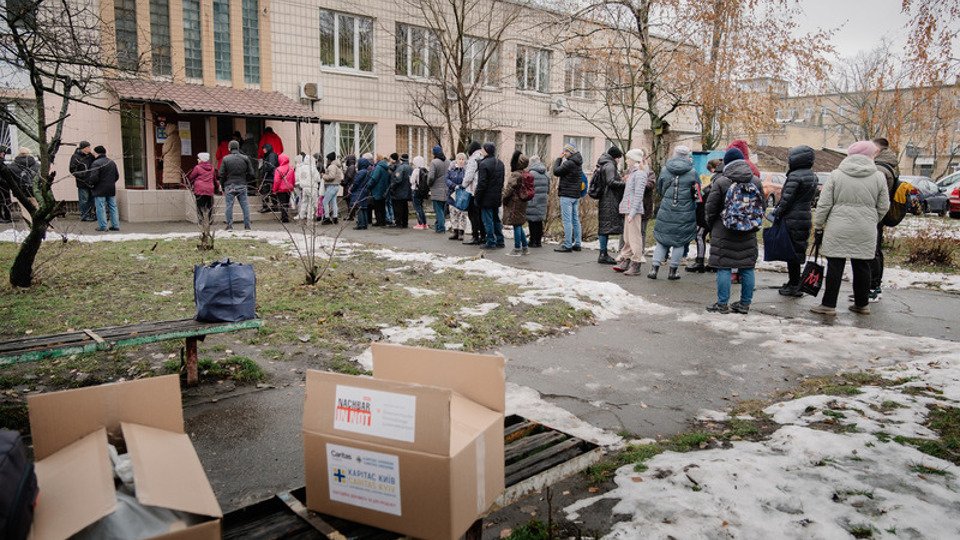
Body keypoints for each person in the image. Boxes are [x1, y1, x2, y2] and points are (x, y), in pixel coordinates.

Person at [811, 141, 890, 316]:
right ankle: (862, 305)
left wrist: (819, 225)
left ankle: (829, 304)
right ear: (870, 156)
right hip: (866, 228)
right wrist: (872, 218)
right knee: (863, 266)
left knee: (835, 265)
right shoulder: (878, 177)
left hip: (838, 226)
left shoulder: (837, 175)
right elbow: (884, 205)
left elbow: (824, 203)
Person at [704, 148, 765, 314]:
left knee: (724, 266)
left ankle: (722, 304)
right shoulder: (756, 181)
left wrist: (712, 225)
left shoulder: (721, 182)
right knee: (747, 267)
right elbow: (762, 207)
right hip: (748, 230)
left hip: (724, 229)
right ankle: (745, 303)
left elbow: (711, 208)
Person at [772, 146, 818, 297]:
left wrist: (778, 213)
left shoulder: (795, 176)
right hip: (804, 215)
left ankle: (794, 284)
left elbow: (786, 199)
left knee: (791, 251)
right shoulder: (812, 176)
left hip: (793, 217)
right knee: (797, 250)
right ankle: (794, 281)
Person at [649, 145, 699, 280]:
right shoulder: (692, 172)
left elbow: (660, 189)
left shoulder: (665, 170)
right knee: (679, 242)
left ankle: (654, 269)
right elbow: (697, 192)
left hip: (666, 209)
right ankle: (673, 272)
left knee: (662, 241)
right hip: (684, 211)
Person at [868, 137, 898, 302]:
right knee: (875, 250)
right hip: (878, 215)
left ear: (878, 149)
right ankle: (873, 286)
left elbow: (878, 196)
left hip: (874, 216)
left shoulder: (880, 169)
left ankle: (873, 287)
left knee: (873, 251)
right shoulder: (889, 166)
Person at [613, 149, 649, 276]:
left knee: (635, 237)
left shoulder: (639, 174)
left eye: (628, 158)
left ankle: (636, 262)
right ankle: (626, 258)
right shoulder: (633, 173)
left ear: (634, 159)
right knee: (627, 237)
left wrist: (633, 212)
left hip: (634, 209)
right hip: (628, 208)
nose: (626, 160)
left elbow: (639, 195)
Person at [594, 146, 625, 264]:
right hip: (609, 200)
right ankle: (603, 254)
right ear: (616, 157)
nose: (619, 161)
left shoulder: (603, 163)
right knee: (605, 227)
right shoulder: (610, 165)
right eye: (619, 158)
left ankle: (603, 253)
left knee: (604, 226)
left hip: (605, 198)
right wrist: (624, 183)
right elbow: (611, 182)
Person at [553, 142, 584, 252]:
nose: (564, 153)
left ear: (570, 152)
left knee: (567, 220)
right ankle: (578, 243)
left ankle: (567, 245)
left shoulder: (570, 163)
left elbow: (556, 171)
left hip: (567, 195)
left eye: (566, 151)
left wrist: (558, 159)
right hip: (575, 195)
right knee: (575, 220)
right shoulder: (578, 162)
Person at [219, 139, 255, 230]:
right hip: (242, 184)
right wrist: (245, 180)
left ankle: (229, 225)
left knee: (229, 206)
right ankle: (247, 226)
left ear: (229, 148)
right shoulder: (245, 158)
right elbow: (251, 173)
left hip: (229, 184)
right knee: (245, 206)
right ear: (238, 148)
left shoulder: (225, 159)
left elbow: (221, 174)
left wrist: (222, 184)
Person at [475, 142, 505, 249]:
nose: (481, 150)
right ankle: (500, 240)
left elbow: (482, 183)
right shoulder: (500, 163)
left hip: (486, 197)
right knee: (496, 219)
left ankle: (491, 241)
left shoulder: (483, 164)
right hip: (496, 195)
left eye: (483, 149)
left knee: (487, 220)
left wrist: (477, 197)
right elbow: (502, 181)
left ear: (486, 150)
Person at [503, 151, 530, 256]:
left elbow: (509, 189)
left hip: (514, 202)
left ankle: (517, 248)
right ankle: (525, 247)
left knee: (516, 224)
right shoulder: (524, 174)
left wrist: (504, 199)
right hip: (522, 202)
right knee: (519, 223)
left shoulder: (515, 175)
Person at [88, 146, 120, 231]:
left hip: (99, 189)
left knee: (100, 207)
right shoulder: (111, 162)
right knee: (113, 206)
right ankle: (115, 225)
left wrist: (90, 184)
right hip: (111, 188)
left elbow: (94, 178)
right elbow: (116, 176)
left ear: (97, 153)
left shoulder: (96, 163)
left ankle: (103, 226)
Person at [461, 141, 486, 245]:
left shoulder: (473, 159)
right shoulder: (484, 157)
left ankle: (475, 236)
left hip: (472, 191)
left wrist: (463, 185)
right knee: (481, 215)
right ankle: (483, 236)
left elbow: (469, 176)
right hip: (482, 191)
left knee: (473, 215)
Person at [188, 152, 218, 226]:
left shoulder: (197, 168)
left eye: (199, 158)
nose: (197, 160)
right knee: (209, 206)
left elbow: (191, 177)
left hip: (199, 190)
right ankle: (210, 220)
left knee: (200, 206)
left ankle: (201, 221)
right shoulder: (212, 169)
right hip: (209, 190)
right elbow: (214, 180)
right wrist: (217, 187)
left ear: (201, 160)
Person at [525, 156, 549, 248]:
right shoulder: (545, 173)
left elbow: (527, 188)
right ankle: (538, 241)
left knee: (532, 221)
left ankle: (533, 240)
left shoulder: (531, 174)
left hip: (533, 200)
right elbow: (548, 188)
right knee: (539, 221)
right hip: (542, 199)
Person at [69, 141, 96, 221]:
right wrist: (83, 175)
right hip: (82, 182)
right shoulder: (76, 157)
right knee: (84, 199)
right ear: (84, 148)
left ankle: (90, 214)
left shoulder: (91, 156)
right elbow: (72, 169)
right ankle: (84, 215)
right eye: (88, 147)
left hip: (91, 181)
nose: (90, 149)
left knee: (91, 199)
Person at [428, 145, 450, 233]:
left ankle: (441, 227)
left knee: (438, 210)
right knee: (443, 209)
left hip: (436, 189)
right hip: (446, 189)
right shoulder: (448, 162)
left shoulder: (434, 162)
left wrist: (429, 184)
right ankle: (438, 226)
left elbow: (431, 177)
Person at [445, 153, 468, 240]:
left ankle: (461, 232)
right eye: (459, 159)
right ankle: (455, 230)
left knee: (462, 214)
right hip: (452, 194)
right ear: (456, 160)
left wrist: (461, 186)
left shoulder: (466, 170)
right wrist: (454, 185)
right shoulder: (451, 169)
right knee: (453, 213)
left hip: (462, 195)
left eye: (463, 159)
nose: (461, 161)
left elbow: (468, 180)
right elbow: (447, 179)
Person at [296, 153, 322, 221]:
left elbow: (298, 177)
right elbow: (317, 178)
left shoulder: (301, 168)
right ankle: (310, 217)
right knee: (311, 203)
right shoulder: (312, 168)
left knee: (304, 202)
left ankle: (301, 215)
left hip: (304, 187)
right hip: (312, 187)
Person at [390, 153, 412, 228]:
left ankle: (398, 223)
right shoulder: (410, 168)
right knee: (405, 207)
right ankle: (405, 222)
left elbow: (398, 180)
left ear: (401, 159)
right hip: (407, 191)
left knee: (398, 207)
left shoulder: (401, 168)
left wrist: (392, 187)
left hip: (399, 191)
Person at [350, 157, 372, 230]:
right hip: (364, 190)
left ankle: (361, 224)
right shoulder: (367, 172)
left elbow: (356, 182)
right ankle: (365, 224)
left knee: (359, 207)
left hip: (359, 191)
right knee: (364, 208)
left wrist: (352, 189)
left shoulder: (361, 172)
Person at [369, 155, 391, 226]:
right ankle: (383, 221)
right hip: (383, 189)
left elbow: (374, 178)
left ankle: (379, 221)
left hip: (377, 189)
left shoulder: (378, 168)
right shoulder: (385, 167)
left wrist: (368, 186)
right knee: (382, 206)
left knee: (377, 207)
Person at [272, 154, 294, 223]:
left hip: (281, 189)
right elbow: (293, 179)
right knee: (286, 203)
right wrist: (292, 187)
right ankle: (286, 216)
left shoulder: (278, 169)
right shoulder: (291, 168)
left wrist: (274, 189)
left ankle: (284, 217)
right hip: (289, 188)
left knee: (282, 203)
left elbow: (276, 181)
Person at [321, 152, 342, 224]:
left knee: (325, 202)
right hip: (336, 186)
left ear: (329, 159)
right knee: (333, 202)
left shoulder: (332, 166)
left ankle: (326, 218)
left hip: (331, 185)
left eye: (327, 159)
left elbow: (331, 176)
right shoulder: (337, 166)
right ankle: (335, 217)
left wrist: (323, 176)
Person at [259, 143, 279, 213]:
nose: (263, 150)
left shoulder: (271, 156)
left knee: (265, 192)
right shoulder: (270, 155)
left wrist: (264, 168)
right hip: (271, 177)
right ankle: (274, 206)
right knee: (271, 192)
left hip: (270, 177)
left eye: (264, 149)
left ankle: (266, 207)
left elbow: (271, 165)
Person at [410, 156, 428, 229]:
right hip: (422, 190)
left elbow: (412, 181)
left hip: (415, 189)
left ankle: (420, 223)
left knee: (417, 207)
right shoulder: (424, 170)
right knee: (421, 207)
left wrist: (410, 178)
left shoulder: (415, 171)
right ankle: (425, 223)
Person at [341, 154, 357, 220]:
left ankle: (350, 215)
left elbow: (349, 176)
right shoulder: (352, 167)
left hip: (349, 187)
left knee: (349, 201)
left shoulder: (351, 167)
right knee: (349, 201)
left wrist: (344, 182)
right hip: (349, 186)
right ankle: (351, 215)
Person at [385, 153, 399, 225]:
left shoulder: (389, 168)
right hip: (395, 188)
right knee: (391, 204)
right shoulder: (398, 167)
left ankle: (388, 218)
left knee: (387, 203)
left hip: (389, 187)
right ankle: (393, 217)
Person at [0, 145, 11, 223]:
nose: (4, 154)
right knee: (1, 201)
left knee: (6, 201)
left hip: (4, 185)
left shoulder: (2, 162)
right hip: (2, 185)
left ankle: (7, 216)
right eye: (2, 152)